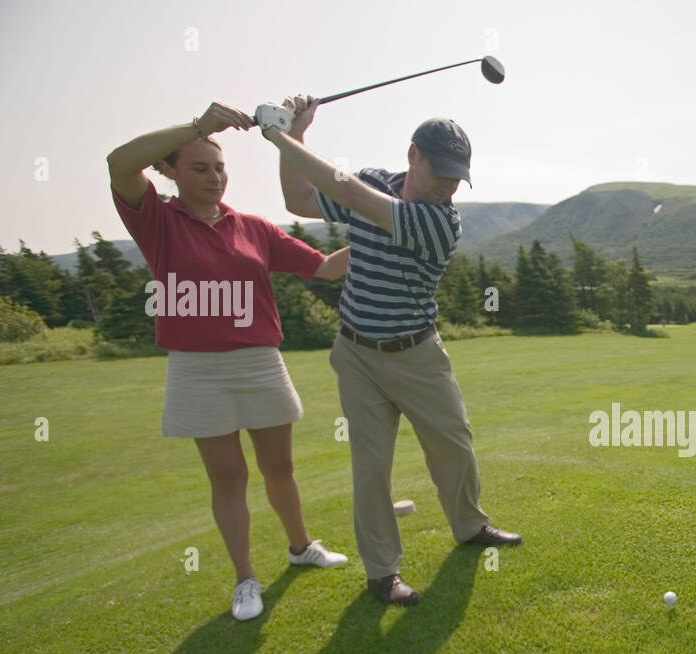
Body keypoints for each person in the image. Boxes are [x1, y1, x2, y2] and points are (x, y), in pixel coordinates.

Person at [256, 96, 520, 607]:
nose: (447, 185)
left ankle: (469, 526)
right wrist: (296, 139)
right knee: (370, 467)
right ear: (413, 156)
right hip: (357, 353)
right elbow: (299, 199)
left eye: (457, 177)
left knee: (455, 446)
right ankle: (382, 574)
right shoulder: (377, 180)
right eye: (441, 171)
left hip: (418, 352)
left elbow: (349, 193)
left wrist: (280, 136)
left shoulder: (441, 223)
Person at [107, 102, 351, 622]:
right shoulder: (156, 219)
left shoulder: (254, 229)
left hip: (261, 361)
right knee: (229, 478)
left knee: (280, 468)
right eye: (199, 167)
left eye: (219, 167)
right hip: (197, 369)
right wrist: (199, 127)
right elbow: (119, 162)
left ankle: (300, 546)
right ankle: (245, 579)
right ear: (168, 171)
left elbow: (326, 269)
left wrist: (380, 229)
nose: (215, 176)